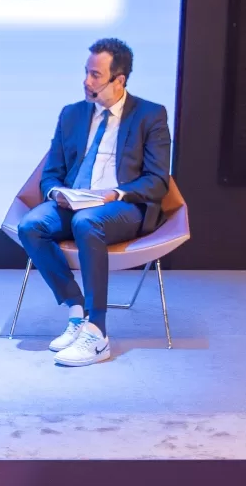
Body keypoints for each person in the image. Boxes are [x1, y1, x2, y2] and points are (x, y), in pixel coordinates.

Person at [18, 38, 172, 366]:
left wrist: (115, 193)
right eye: (86, 73)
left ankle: (98, 333)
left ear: (119, 80)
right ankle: (77, 311)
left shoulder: (150, 115)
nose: (87, 81)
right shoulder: (72, 114)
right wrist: (56, 193)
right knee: (30, 226)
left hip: (123, 206)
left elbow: (157, 181)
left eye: (96, 75)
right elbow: (51, 173)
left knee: (86, 222)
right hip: (75, 201)